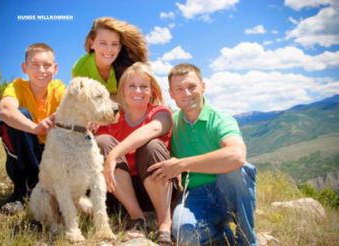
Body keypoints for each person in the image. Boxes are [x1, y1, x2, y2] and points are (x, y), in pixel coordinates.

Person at [148, 63, 257, 245]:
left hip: (226, 189)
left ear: (203, 87)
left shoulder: (219, 118)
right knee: (185, 236)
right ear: (172, 94)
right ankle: (221, 234)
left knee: (239, 170)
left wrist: (183, 164)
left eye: (192, 87)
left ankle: (247, 240)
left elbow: (237, 154)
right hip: (195, 195)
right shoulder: (172, 122)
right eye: (179, 89)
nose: (187, 94)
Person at [95, 62, 173, 245]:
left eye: (143, 86)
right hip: (122, 190)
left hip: (156, 186)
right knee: (102, 141)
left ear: (152, 91)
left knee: (152, 146)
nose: (137, 91)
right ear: (122, 90)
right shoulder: (111, 118)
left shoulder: (160, 113)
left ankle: (164, 223)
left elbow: (154, 129)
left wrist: (115, 154)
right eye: (132, 86)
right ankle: (137, 218)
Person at [0, 43, 66, 213]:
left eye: (47, 65)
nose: (41, 70)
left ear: (55, 68)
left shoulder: (58, 88)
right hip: (23, 155)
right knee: (16, 116)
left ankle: (51, 190)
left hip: (50, 154)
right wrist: (35, 128)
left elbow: (70, 106)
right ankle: (21, 191)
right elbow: (4, 110)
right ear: (24, 68)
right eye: (35, 65)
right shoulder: (17, 87)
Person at [72, 17, 147, 101]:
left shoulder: (127, 65)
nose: (109, 49)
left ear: (119, 47)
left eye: (114, 44)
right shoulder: (80, 68)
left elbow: (135, 96)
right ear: (92, 44)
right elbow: (82, 101)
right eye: (103, 43)